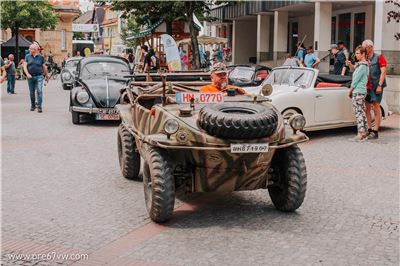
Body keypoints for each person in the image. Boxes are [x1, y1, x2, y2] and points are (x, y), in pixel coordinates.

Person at [362, 39, 387, 139]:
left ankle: (375, 131)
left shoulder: (379, 57)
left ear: (370, 47)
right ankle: (369, 129)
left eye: (364, 47)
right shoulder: (365, 58)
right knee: (367, 108)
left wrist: (380, 85)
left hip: (376, 86)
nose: (363, 49)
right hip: (367, 87)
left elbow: (383, 72)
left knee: (376, 107)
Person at [348, 46, 369, 142]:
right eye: (355, 53)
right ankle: (364, 132)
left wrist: (350, 90)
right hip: (361, 91)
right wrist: (350, 65)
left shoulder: (362, 66)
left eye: (357, 53)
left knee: (358, 112)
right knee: (361, 111)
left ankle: (360, 134)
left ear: (363, 54)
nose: (355, 55)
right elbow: (354, 70)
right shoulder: (362, 65)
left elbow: (355, 80)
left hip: (358, 91)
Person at [23, 43, 49, 113]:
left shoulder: (41, 57)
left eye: (30, 49)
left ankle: (39, 107)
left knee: (39, 91)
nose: (29, 50)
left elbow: (44, 67)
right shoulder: (27, 56)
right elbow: (24, 66)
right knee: (32, 92)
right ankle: (33, 105)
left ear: (35, 49)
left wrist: (46, 76)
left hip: (39, 76)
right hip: (30, 76)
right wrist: (27, 74)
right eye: (29, 48)